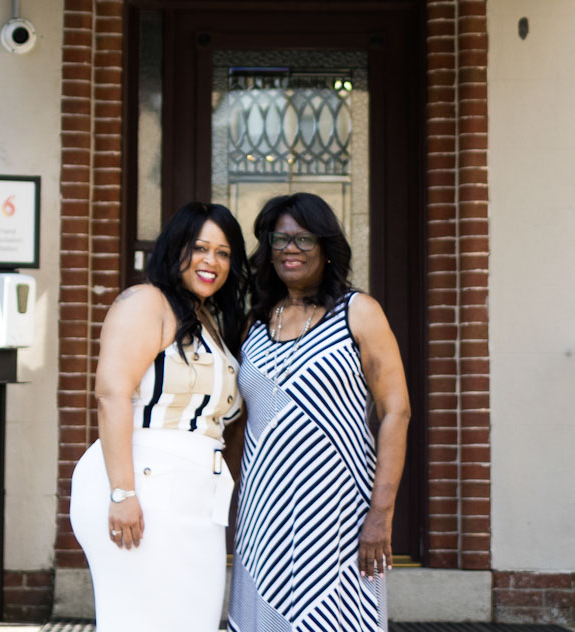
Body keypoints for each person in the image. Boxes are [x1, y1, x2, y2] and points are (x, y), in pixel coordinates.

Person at [230, 192, 410, 632]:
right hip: (263, 512)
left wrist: (380, 513)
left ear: (327, 247)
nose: (290, 249)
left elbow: (396, 412)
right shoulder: (256, 321)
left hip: (339, 515)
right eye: (280, 239)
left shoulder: (358, 312)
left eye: (304, 239)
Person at [69, 201, 248, 632]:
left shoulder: (207, 321)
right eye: (200, 247)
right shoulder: (146, 301)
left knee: (195, 621)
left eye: (223, 253)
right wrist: (121, 494)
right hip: (143, 483)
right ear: (175, 249)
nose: (212, 261)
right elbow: (112, 394)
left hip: (197, 495)